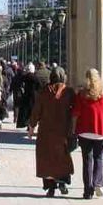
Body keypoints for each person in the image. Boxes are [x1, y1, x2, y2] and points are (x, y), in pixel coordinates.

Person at [28, 67, 75, 196]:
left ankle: (51, 187)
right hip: (63, 131)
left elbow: (36, 111)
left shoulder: (44, 92)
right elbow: (76, 110)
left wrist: (31, 127)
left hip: (46, 131)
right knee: (62, 158)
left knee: (47, 159)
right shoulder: (68, 92)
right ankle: (62, 182)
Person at [72, 68, 103, 199]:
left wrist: (73, 129)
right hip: (100, 132)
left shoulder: (81, 95)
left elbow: (76, 113)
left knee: (87, 161)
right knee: (98, 158)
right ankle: (98, 183)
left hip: (84, 131)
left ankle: (88, 191)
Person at [15, 63, 41, 130]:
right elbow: (39, 87)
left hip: (26, 96)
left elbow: (20, 84)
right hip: (33, 97)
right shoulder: (35, 78)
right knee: (32, 112)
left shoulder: (24, 77)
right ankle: (32, 125)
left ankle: (28, 125)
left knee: (26, 112)